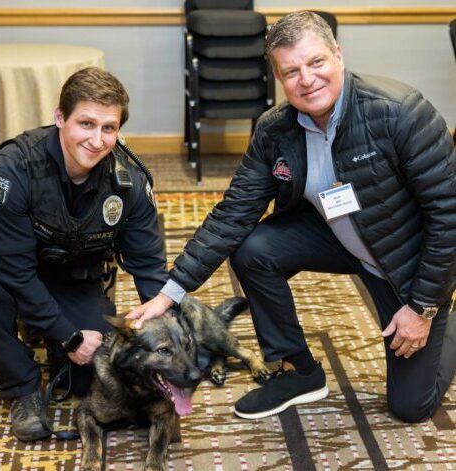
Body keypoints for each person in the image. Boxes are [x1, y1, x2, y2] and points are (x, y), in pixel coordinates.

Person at [126, 11, 456, 423]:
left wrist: (424, 307)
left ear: (338, 54)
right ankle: (298, 370)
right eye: (291, 71)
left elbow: (448, 215)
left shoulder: (399, 112)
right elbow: (233, 213)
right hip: (341, 237)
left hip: (406, 260)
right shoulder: (274, 130)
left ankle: (449, 321)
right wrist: (168, 293)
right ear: (279, 79)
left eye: (316, 62)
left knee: (411, 407)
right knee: (253, 247)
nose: (307, 79)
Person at [0, 67, 168, 441]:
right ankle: (21, 386)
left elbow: (149, 266)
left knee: (90, 378)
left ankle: (43, 331)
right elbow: (16, 272)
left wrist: (169, 335)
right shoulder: (12, 171)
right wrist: (68, 335)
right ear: (59, 118)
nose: (97, 140)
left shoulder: (129, 182)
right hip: (7, 274)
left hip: (70, 274)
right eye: (86, 123)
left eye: (109, 128)